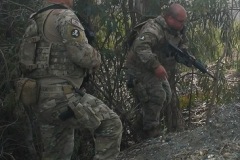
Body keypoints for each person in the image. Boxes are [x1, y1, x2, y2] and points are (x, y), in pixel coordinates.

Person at [16, 0, 122, 159]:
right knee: (110, 124)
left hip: (39, 98)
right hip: (61, 97)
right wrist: (96, 58)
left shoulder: (37, 19)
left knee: (57, 154)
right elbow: (81, 55)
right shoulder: (65, 16)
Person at [126, 3, 190, 139]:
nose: (183, 25)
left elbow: (182, 41)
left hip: (153, 67)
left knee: (166, 95)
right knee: (157, 95)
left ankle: (142, 124)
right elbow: (141, 48)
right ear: (170, 18)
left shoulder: (175, 29)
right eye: (180, 21)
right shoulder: (153, 29)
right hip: (140, 67)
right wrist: (156, 66)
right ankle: (150, 132)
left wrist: (184, 52)